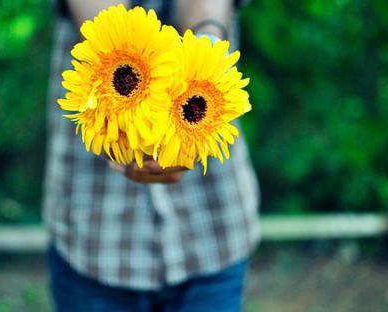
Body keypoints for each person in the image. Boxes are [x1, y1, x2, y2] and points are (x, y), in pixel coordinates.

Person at [43, 0, 259, 311]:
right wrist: (120, 128)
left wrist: (206, 60)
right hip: (93, 229)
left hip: (211, 224)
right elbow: (104, 26)